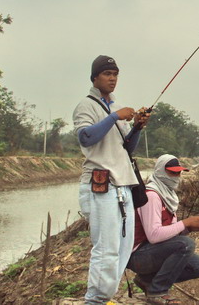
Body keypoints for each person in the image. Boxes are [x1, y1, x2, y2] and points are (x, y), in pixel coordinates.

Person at [73, 55, 150, 304]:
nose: (113, 78)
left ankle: (105, 296)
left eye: (116, 73)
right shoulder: (87, 106)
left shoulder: (111, 108)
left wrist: (137, 126)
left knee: (122, 247)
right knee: (105, 248)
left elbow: (127, 148)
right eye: (107, 73)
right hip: (101, 185)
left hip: (122, 184)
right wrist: (115, 117)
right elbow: (86, 137)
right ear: (95, 77)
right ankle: (94, 300)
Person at [127, 154, 199, 305]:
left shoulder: (167, 195)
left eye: (178, 172)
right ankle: (157, 292)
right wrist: (185, 223)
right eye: (172, 172)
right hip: (138, 256)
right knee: (185, 244)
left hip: (152, 251)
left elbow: (169, 232)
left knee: (198, 267)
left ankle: (147, 280)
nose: (177, 176)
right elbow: (154, 235)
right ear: (159, 172)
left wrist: (188, 229)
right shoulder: (151, 196)